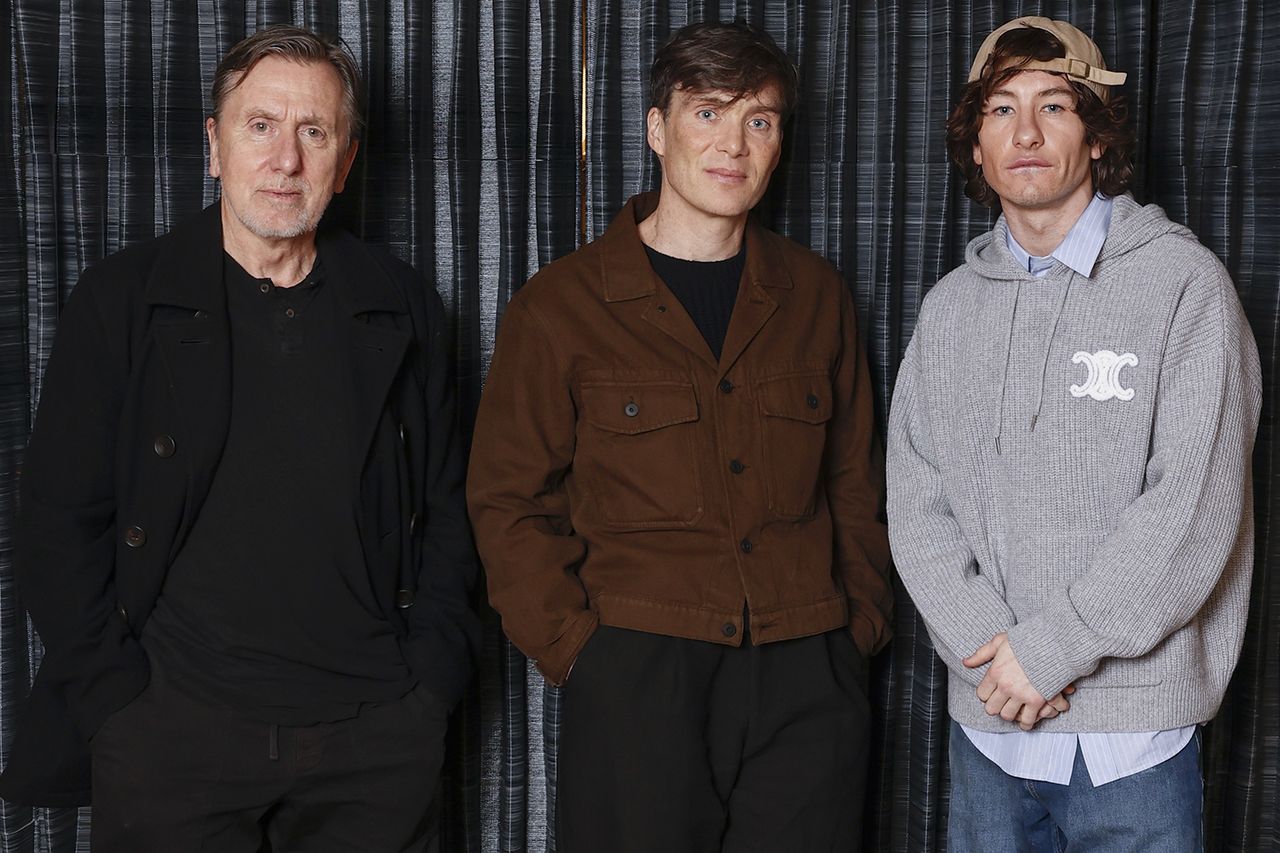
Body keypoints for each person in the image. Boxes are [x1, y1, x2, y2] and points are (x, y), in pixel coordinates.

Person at [0, 25, 479, 853]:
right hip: (171, 737)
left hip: (371, 743)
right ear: (215, 144)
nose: (285, 160)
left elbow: (452, 516)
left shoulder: (402, 307)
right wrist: (118, 701)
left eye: (313, 132)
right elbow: (55, 518)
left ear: (346, 159)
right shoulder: (122, 300)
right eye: (260, 126)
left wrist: (426, 689)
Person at [467, 20, 892, 853]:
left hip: (807, 670)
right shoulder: (558, 307)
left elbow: (855, 481)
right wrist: (583, 656)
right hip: (637, 679)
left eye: (759, 120)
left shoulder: (815, 294)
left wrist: (855, 632)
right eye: (708, 113)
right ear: (658, 129)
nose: (733, 144)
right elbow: (507, 501)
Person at [886, 16, 1260, 852]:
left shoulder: (1183, 286)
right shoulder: (949, 309)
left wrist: (1049, 652)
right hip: (989, 737)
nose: (1025, 131)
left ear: (1095, 137)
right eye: (1000, 109)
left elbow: (1191, 511)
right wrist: (998, 663)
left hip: (1135, 749)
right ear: (975, 146)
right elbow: (916, 503)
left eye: (1055, 106)